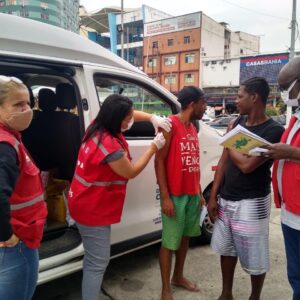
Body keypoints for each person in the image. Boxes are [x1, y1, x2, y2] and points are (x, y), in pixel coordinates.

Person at [67, 94, 170, 300]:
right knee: (97, 263)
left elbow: (132, 116)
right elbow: (130, 172)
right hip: (92, 211)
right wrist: (153, 147)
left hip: (79, 200)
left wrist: (152, 118)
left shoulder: (97, 126)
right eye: (128, 118)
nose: (131, 121)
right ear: (117, 118)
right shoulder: (110, 147)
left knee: (92, 259)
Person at [208, 77, 284, 300]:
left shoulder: (273, 131)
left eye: (240, 96)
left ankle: (254, 296)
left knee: (255, 254)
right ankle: (226, 293)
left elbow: (247, 165)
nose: (236, 100)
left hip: (252, 202)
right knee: (227, 249)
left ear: (254, 97)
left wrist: (230, 138)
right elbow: (224, 162)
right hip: (226, 198)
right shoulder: (237, 123)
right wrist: (214, 196)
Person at [155, 86, 207, 300]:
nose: (206, 107)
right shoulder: (170, 125)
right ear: (192, 104)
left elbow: (193, 162)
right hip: (174, 195)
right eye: (203, 103)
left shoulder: (193, 128)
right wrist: (165, 196)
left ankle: (178, 277)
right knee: (169, 241)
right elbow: (158, 161)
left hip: (192, 194)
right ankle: (165, 288)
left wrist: (200, 192)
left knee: (185, 238)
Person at [0, 75, 47, 300]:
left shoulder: (10, 137)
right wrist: (6, 234)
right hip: (15, 245)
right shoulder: (4, 145)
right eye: (18, 104)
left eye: (28, 103)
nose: (26, 109)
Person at [263, 57, 300, 300]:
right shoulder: (296, 116)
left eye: (287, 86)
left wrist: (291, 153)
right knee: (296, 275)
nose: (284, 93)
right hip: (290, 212)